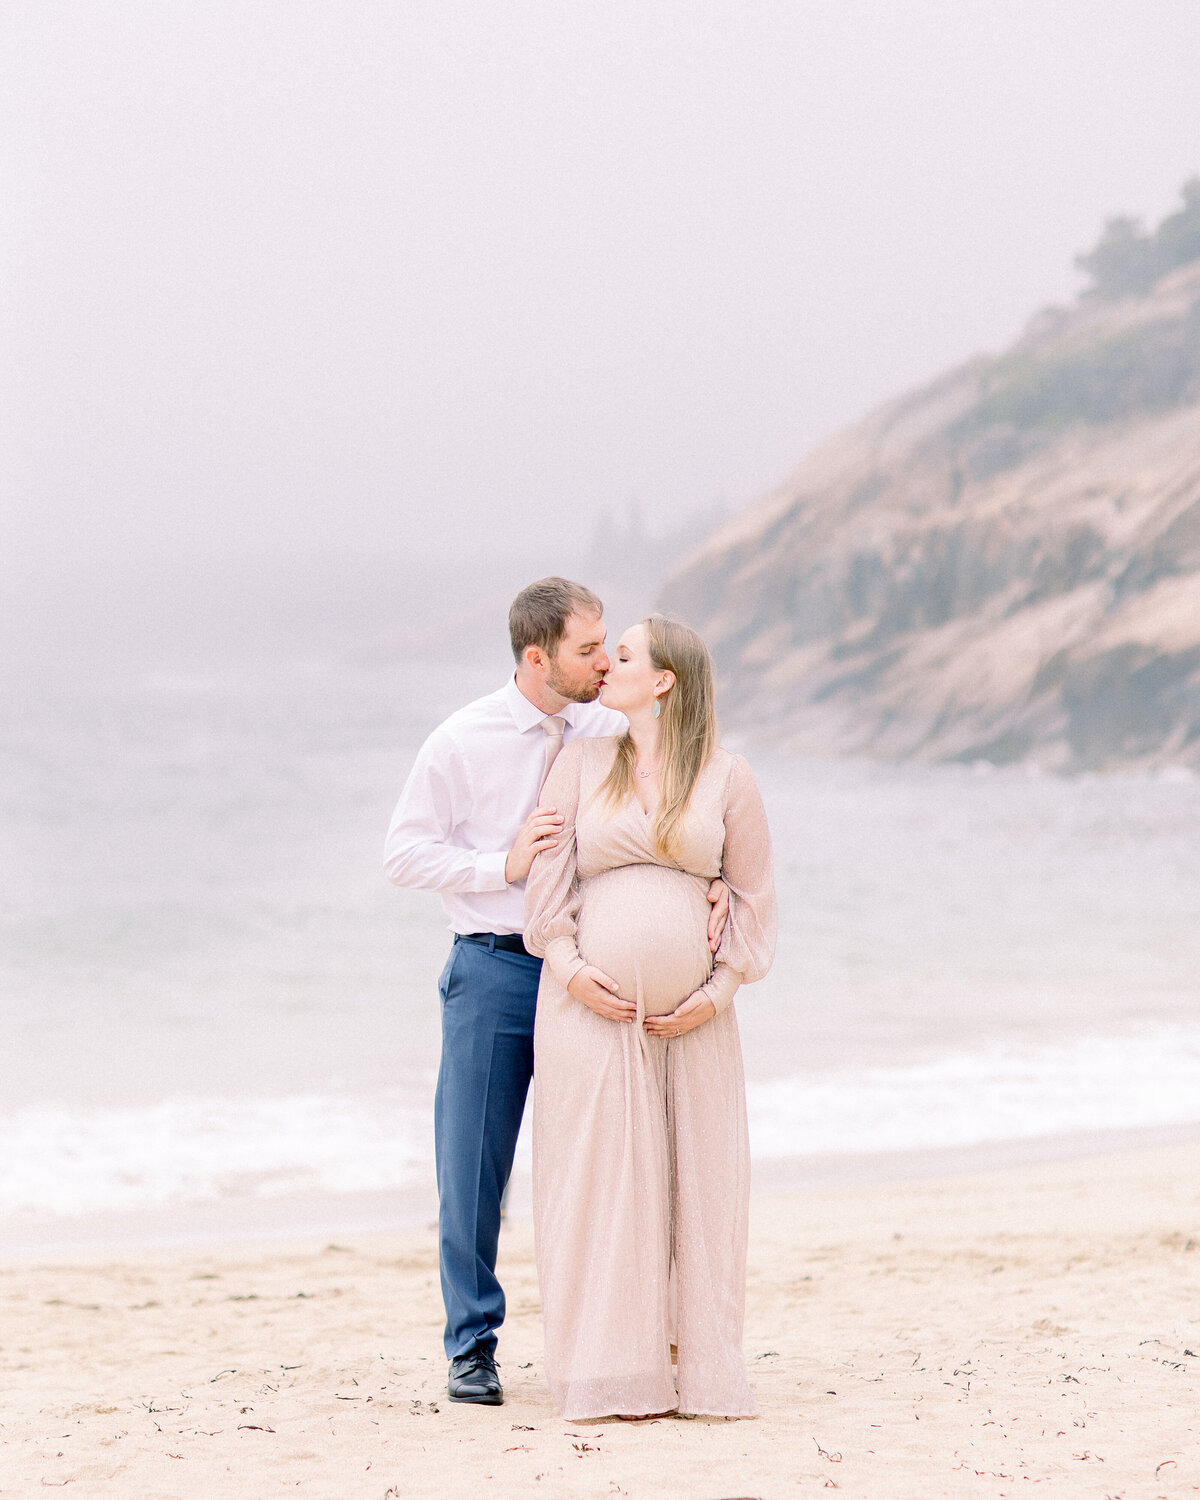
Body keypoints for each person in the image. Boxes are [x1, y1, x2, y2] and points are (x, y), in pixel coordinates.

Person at [384, 579, 730, 1406]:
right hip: (497, 969)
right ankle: (471, 1348)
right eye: (586, 650)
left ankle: (629, 1340)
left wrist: (711, 884)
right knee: (472, 1168)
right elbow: (403, 853)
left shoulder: (609, 727)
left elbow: (683, 789)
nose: (603, 661)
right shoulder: (460, 742)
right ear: (536, 657)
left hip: (591, 982)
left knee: (615, 1165)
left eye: (609, 645)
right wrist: (498, 867)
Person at [524, 613, 776, 1421]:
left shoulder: (726, 775)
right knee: (599, 1187)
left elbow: (754, 897)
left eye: (622, 655)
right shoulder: (580, 760)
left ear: (663, 680)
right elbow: (547, 891)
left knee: (691, 1190)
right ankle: (609, 1374)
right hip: (589, 1012)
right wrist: (572, 974)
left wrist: (720, 990)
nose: (607, 666)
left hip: (694, 1023)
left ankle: (692, 1371)